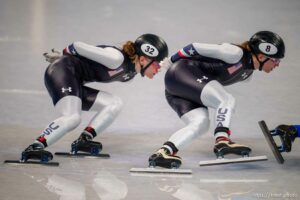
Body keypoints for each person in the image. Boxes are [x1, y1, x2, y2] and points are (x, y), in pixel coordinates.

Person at [21, 33, 168, 162]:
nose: (159, 69)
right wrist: (63, 56)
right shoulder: (116, 58)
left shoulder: (128, 76)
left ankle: (83, 141)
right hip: (61, 72)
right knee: (72, 118)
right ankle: (35, 146)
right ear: (143, 59)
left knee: (114, 103)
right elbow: (77, 46)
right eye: (157, 64)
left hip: (74, 80)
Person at [149, 31, 285, 168]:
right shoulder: (235, 53)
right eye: (276, 60)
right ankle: (222, 140)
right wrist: (172, 61)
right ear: (261, 56)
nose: (277, 65)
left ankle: (163, 153)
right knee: (226, 99)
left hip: (177, 88)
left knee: (201, 124)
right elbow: (194, 47)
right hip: (182, 72)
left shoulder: (247, 74)